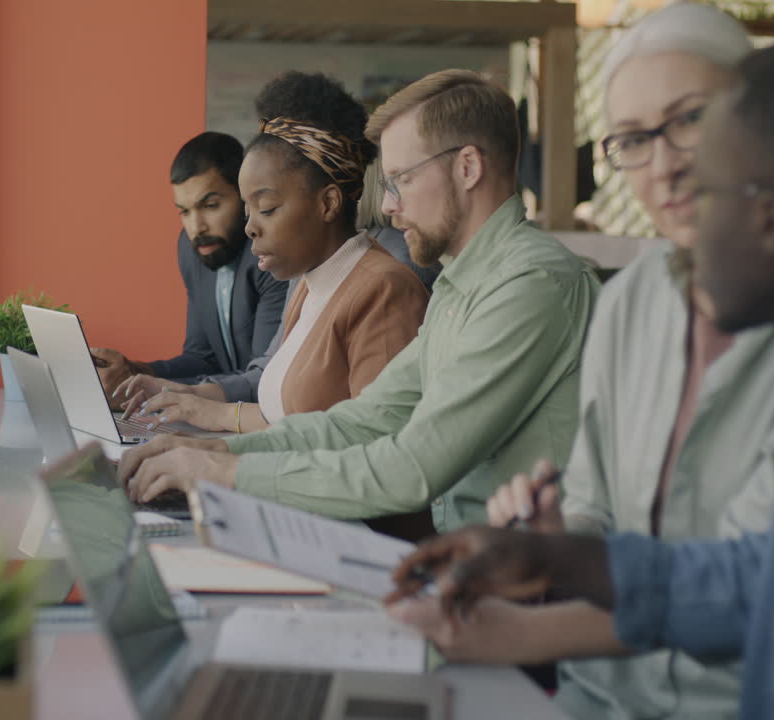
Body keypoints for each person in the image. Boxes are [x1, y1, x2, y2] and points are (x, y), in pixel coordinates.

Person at [386, 35, 774, 720]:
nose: (669, 189)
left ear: (770, 217)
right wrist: (558, 559)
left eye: (703, 178)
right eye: (631, 141)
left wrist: (523, 625)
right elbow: (759, 577)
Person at [119, 69, 600, 533]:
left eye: (401, 180)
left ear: (468, 167)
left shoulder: (529, 283)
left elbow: (413, 466)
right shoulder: (462, 284)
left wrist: (224, 474)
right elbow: (363, 420)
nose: (387, 206)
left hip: (523, 590)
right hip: (466, 568)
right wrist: (220, 455)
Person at [114, 159, 437, 433]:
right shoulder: (306, 283)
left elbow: (370, 439)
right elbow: (274, 393)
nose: (249, 228)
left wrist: (222, 434)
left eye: (266, 209)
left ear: (327, 203)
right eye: (247, 210)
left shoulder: (383, 286)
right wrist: (188, 396)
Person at [90, 132, 289, 397]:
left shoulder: (271, 257)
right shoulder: (192, 249)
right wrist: (136, 373)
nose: (196, 228)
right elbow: (202, 358)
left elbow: (262, 381)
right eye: (184, 211)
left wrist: (160, 392)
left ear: (245, 197)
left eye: (210, 205)